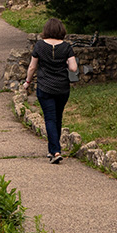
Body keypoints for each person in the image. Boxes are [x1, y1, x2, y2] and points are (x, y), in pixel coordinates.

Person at [23, 18, 78, 164]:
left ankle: (55, 151)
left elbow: (32, 67)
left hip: (45, 87)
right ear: (61, 30)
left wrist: (27, 82)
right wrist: (66, 62)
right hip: (62, 88)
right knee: (57, 118)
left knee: (50, 118)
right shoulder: (67, 47)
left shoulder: (39, 46)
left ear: (46, 30)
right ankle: (52, 149)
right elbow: (73, 68)